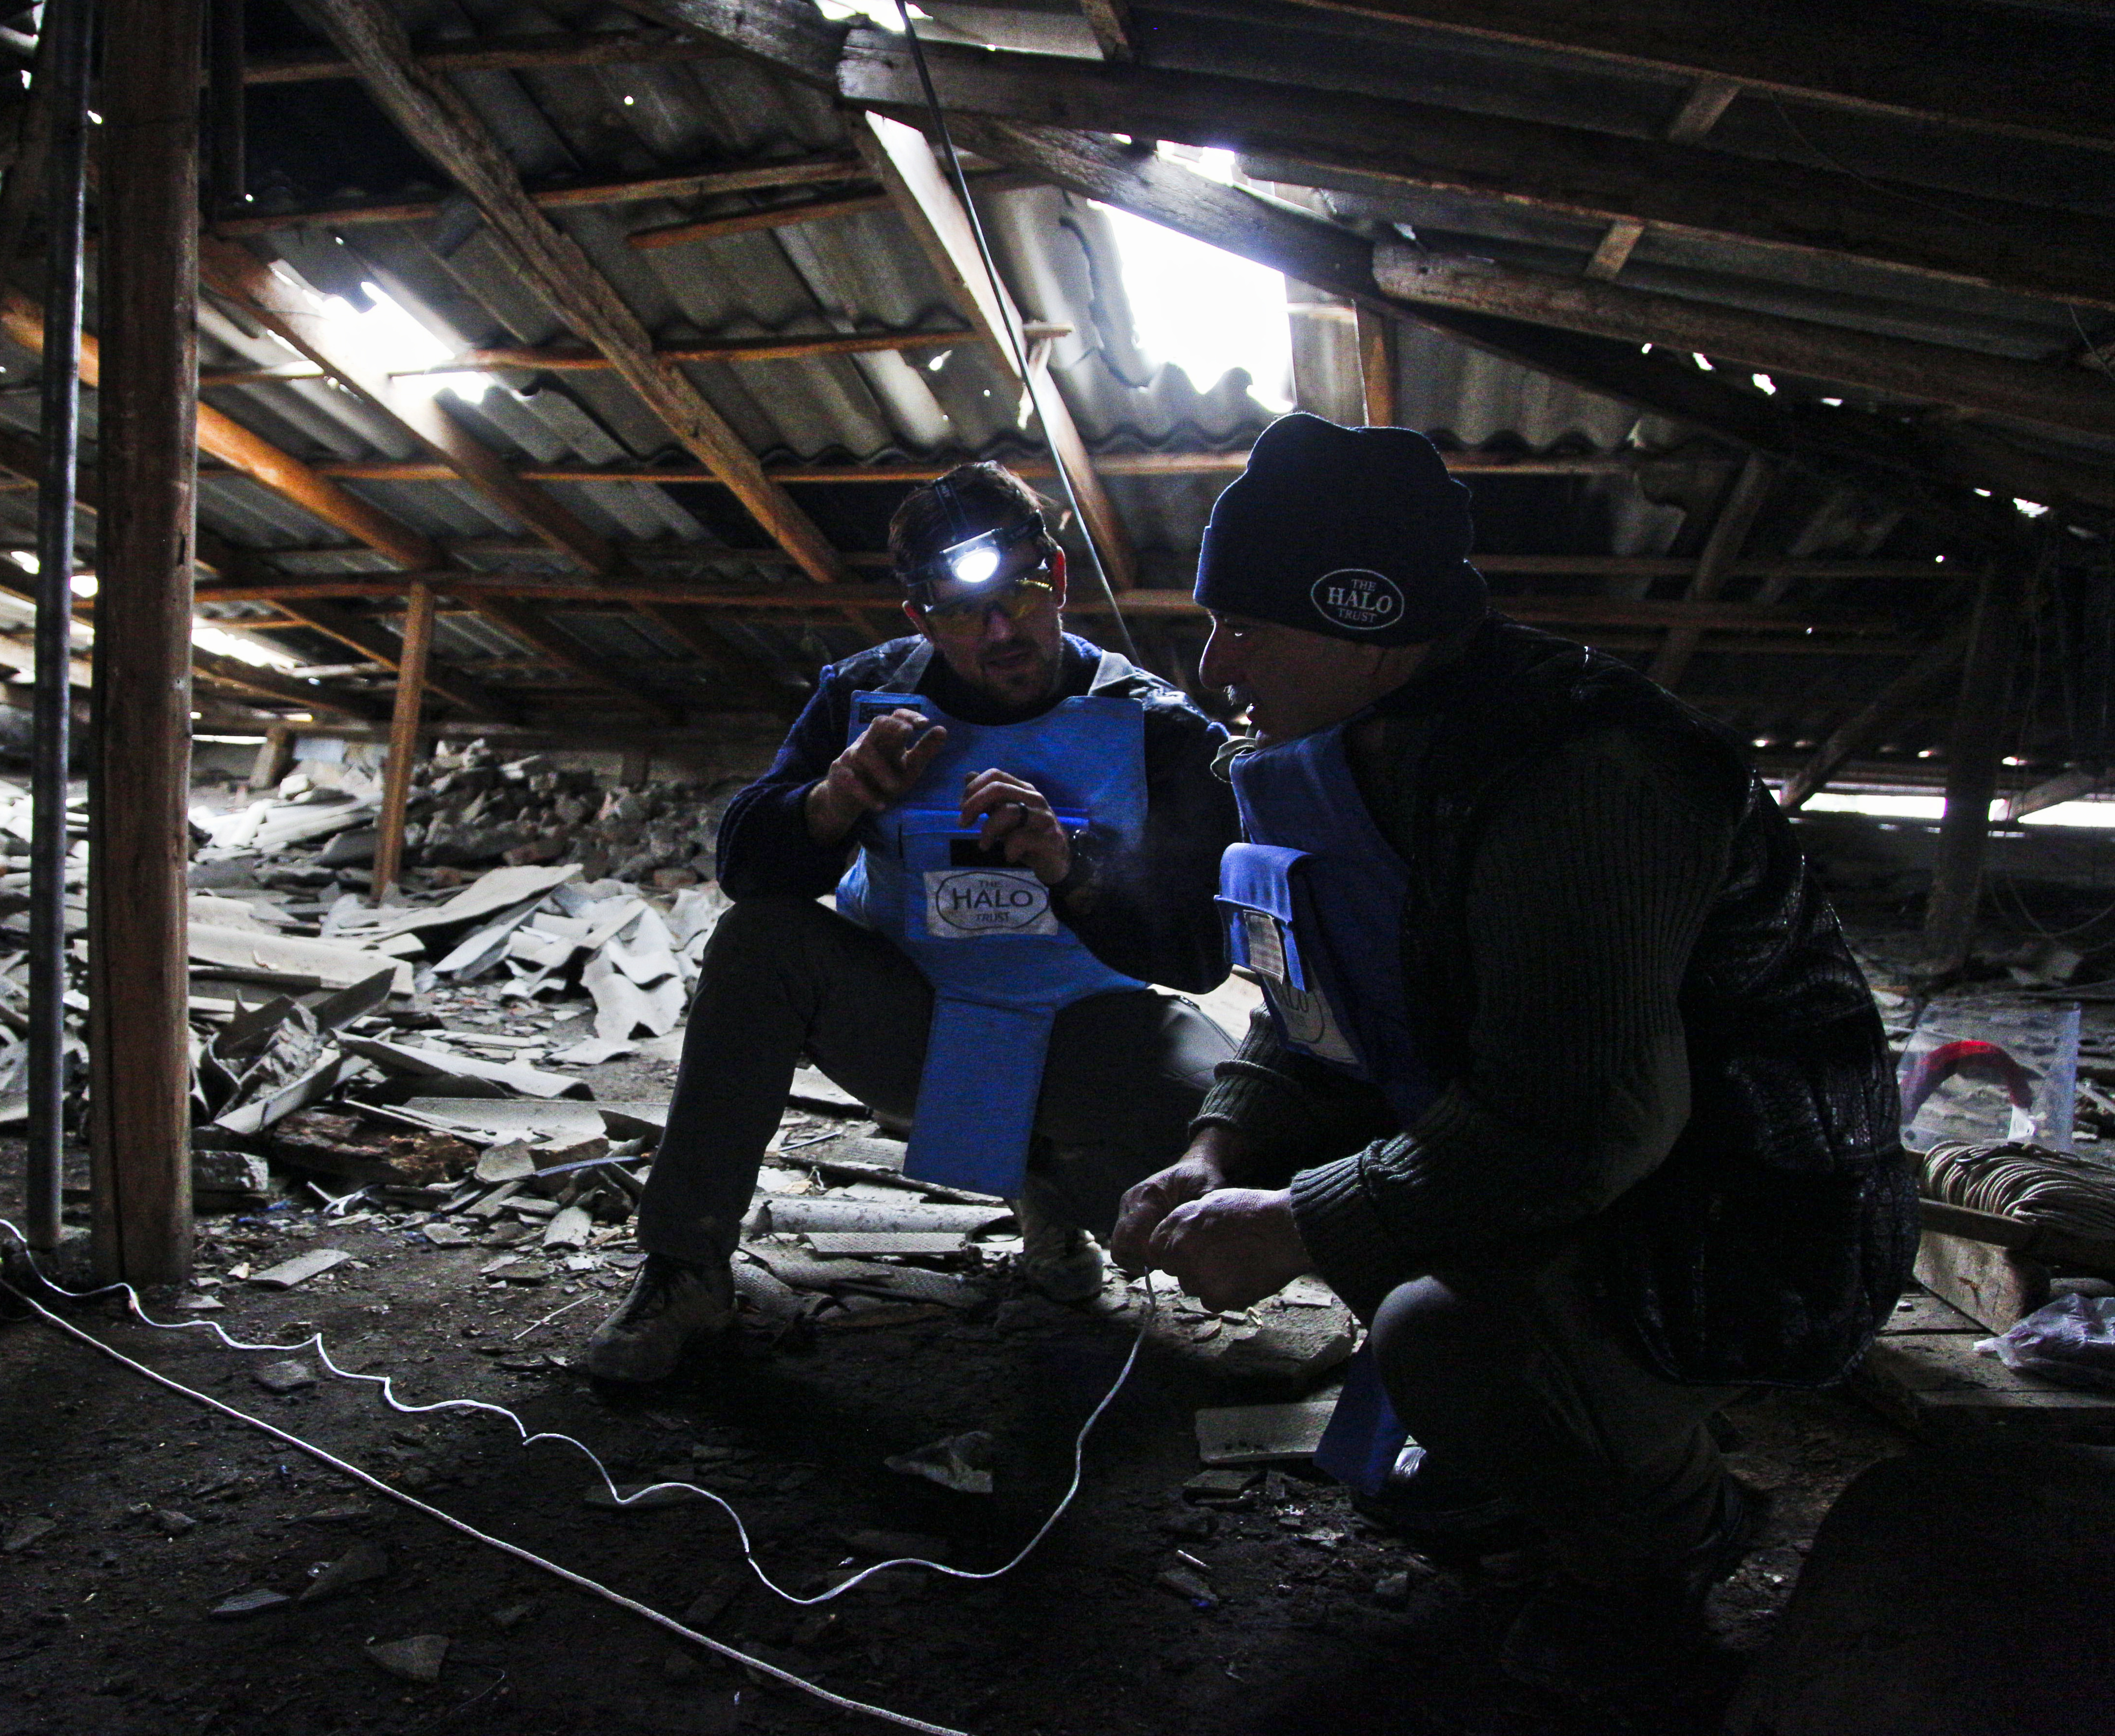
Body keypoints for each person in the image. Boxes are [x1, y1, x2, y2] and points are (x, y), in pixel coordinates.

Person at [1111, 413, 1913, 1694]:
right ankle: (1530, 1449)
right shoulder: (1347, 755)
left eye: (1244, 624)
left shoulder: (1578, 775)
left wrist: (1298, 1227)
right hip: (1595, 1157)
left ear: (1359, 618)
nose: (1215, 664)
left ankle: (1662, 1538)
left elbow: (1578, 1126)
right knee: (1337, 1179)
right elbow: (1308, 1008)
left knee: (1443, 1335)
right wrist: (1218, 1151)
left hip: (1753, 1219)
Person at [583, 462, 1240, 1383]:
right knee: (761, 944)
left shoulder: (1157, 728)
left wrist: (1069, 867)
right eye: (965, 612)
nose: (1003, 632)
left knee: (1241, 1140)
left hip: (1087, 1030)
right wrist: (833, 798)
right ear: (919, 618)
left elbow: (1204, 953)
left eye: (1021, 592)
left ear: (1058, 578)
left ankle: (1055, 1190)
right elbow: (746, 870)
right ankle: (685, 1269)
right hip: (913, 1023)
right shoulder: (868, 697)